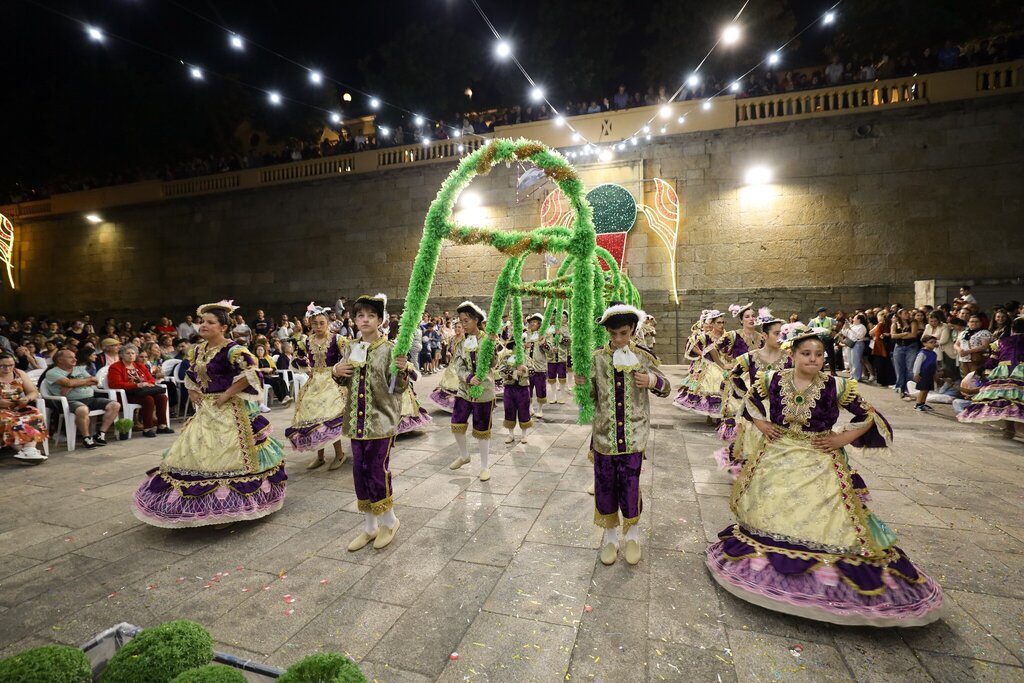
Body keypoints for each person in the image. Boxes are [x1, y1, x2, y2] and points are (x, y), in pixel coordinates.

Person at [705, 330, 944, 626]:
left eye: (819, 355)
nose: (813, 359)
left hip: (819, 455)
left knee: (828, 513)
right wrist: (762, 424)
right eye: (806, 354)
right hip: (778, 453)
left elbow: (868, 415)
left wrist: (842, 439)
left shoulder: (837, 386)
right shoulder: (772, 379)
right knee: (772, 506)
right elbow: (750, 400)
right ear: (793, 355)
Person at [132, 300, 287, 528]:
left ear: (223, 327)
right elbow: (191, 374)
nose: (203, 325)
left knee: (227, 456)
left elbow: (251, 373)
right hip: (206, 410)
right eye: (202, 321)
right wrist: (192, 389)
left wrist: (227, 394)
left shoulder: (233, 350)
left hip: (230, 411)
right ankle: (205, 508)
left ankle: (228, 509)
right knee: (198, 452)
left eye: (210, 322)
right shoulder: (198, 349)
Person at [577, 303, 670, 566]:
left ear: (632, 330)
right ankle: (610, 539)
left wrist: (651, 381)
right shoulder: (597, 358)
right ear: (607, 332)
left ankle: (632, 537)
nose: (618, 339)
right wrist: (581, 386)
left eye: (624, 333)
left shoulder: (644, 357)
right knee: (605, 488)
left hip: (634, 436)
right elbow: (589, 400)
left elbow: (666, 388)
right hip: (604, 438)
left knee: (630, 487)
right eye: (613, 334)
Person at [333, 294, 409, 551]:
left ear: (380, 320)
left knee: (377, 470)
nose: (365, 320)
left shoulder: (390, 349)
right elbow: (343, 377)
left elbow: (398, 387)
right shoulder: (350, 347)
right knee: (359, 472)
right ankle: (369, 527)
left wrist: (403, 369)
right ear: (354, 320)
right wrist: (336, 372)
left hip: (381, 421)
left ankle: (390, 522)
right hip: (356, 422)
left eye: (371, 316)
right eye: (360, 315)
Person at [714, 311, 789, 478]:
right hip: (756, 411)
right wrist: (746, 394)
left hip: (780, 411)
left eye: (783, 334)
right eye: (777, 333)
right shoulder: (750, 357)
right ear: (765, 336)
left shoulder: (789, 359)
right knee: (752, 447)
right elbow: (733, 376)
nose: (780, 338)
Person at [285, 303, 349, 470]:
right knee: (315, 419)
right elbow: (298, 359)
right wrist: (306, 366)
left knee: (329, 418)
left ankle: (339, 454)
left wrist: (340, 370)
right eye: (315, 323)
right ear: (310, 324)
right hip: (314, 383)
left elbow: (349, 355)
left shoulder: (337, 339)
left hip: (332, 382)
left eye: (322, 323)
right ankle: (320, 457)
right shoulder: (307, 341)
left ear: (328, 323)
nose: (319, 326)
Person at [447, 301, 497, 481]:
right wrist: (468, 378)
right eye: (461, 321)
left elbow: (494, 363)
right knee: (456, 423)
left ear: (476, 320)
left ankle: (484, 467)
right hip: (465, 390)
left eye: (466, 320)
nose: (463, 324)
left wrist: (492, 346)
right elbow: (458, 364)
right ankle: (464, 455)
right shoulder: (462, 342)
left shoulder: (488, 339)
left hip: (484, 390)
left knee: (482, 429)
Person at [44, 348, 121, 449]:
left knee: (115, 405)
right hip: (69, 401)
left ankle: (100, 434)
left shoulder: (79, 369)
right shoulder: (52, 372)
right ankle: (86, 438)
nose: (75, 359)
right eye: (70, 357)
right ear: (60, 360)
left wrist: (72, 385)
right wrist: (78, 382)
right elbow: (68, 382)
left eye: (75, 357)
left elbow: (95, 380)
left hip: (90, 398)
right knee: (82, 410)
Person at [957, 317, 1024, 430]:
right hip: (1020, 371)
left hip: (1004, 372)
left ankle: (1009, 428)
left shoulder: (1001, 342)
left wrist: (981, 369)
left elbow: (992, 361)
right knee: (1019, 400)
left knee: (1005, 399)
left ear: (1013, 328)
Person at [106, 344, 174, 437]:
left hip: (143, 391)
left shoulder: (140, 365)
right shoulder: (115, 367)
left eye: (133, 353)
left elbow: (151, 379)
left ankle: (162, 426)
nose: (131, 355)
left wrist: (147, 383)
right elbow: (115, 384)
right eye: (128, 353)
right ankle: (147, 428)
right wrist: (137, 385)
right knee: (148, 399)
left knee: (162, 397)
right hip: (126, 394)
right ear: (122, 355)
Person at [0, 353, 48, 462]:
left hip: (17, 406)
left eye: (11, 365)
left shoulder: (19, 373)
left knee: (35, 414)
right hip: (2, 409)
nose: (8, 369)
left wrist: (27, 398)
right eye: (3, 366)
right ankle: (24, 451)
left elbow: (33, 392)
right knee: (7, 420)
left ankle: (29, 449)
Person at [497, 340, 532, 444]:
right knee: (509, 410)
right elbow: (501, 371)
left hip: (523, 389)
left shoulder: (526, 358)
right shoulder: (506, 358)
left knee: (524, 411)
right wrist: (514, 372)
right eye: (516, 345)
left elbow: (533, 371)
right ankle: (511, 434)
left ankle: (524, 435)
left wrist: (525, 370)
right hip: (509, 388)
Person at [430, 320, 464, 412]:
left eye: (459, 327)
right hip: (452, 363)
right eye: (455, 327)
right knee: (449, 380)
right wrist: (449, 352)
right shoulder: (452, 338)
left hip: (462, 364)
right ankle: (450, 404)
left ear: (463, 329)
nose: (457, 329)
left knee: (458, 382)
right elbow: (449, 349)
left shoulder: (466, 339)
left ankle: (460, 405)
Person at [890, 308, 921, 398]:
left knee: (910, 368)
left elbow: (913, 335)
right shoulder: (895, 324)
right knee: (899, 368)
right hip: (899, 347)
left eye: (908, 313)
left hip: (911, 346)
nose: (907, 314)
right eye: (905, 313)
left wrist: (899, 336)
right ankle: (900, 387)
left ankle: (909, 388)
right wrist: (904, 334)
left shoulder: (913, 322)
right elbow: (893, 335)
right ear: (900, 315)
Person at [523, 313, 549, 419]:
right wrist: (523, 345)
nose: (533, 324)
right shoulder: (525, 335)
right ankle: (530, 408)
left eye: (535, 322)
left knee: (540, 389)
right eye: (531, 322)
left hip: (539, 368)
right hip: (527, 367)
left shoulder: (543, 335)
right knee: (528, 389)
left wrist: (543, 343)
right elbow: (516, 349)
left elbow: (550, 351)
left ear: (539, 324)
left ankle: (540, 409)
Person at [254, 343, 292, 409]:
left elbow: (274, 367)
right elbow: (253, 369)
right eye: (258, 350)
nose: (260, 351)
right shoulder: (254, 359)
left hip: (270, 375)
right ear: (255, 351)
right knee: (275, 383)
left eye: (261, 350)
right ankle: (282, 399)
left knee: (281, 380)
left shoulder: (267, 358)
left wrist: (271, 369)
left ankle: (287, 396)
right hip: (261, 377)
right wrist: (263, 369)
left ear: (264, 351)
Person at [545, 311, 571, 404]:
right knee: (551, 378)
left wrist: (561, 336)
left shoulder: (564, 328)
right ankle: (554, 396)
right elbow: (545, 341)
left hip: (561, 357)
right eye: (553, 315)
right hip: (551, 358)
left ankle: (562, 396)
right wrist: (550, 349)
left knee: (562, 377)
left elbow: (568, 341)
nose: (554, 317)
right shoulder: (548, 329)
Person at [912, 336, 940, 412]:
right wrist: (916, 374)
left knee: (927, 389)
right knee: (923, 390)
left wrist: (937, 371)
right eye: (931, 342)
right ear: (924, 343)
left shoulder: (934, 353)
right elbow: (917, 364)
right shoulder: (922, 353)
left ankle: (922, 403)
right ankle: (918, 404)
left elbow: (934, 363)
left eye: (935, 342)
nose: (933, 344)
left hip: (930, 374)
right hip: (923, 374)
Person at [808, 307, 839, 375]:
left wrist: (834, 331)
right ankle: (820, 371)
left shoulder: (830, 319)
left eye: (824, 312)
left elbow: (838, 324)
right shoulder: (814, 320)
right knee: (819, 355)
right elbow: (808, 328)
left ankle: (833, 371)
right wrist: (812, 333)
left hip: (828, 338)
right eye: (822, 312)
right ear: (819, 313)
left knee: (831, 355)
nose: (824, 313)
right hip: (818, 339)